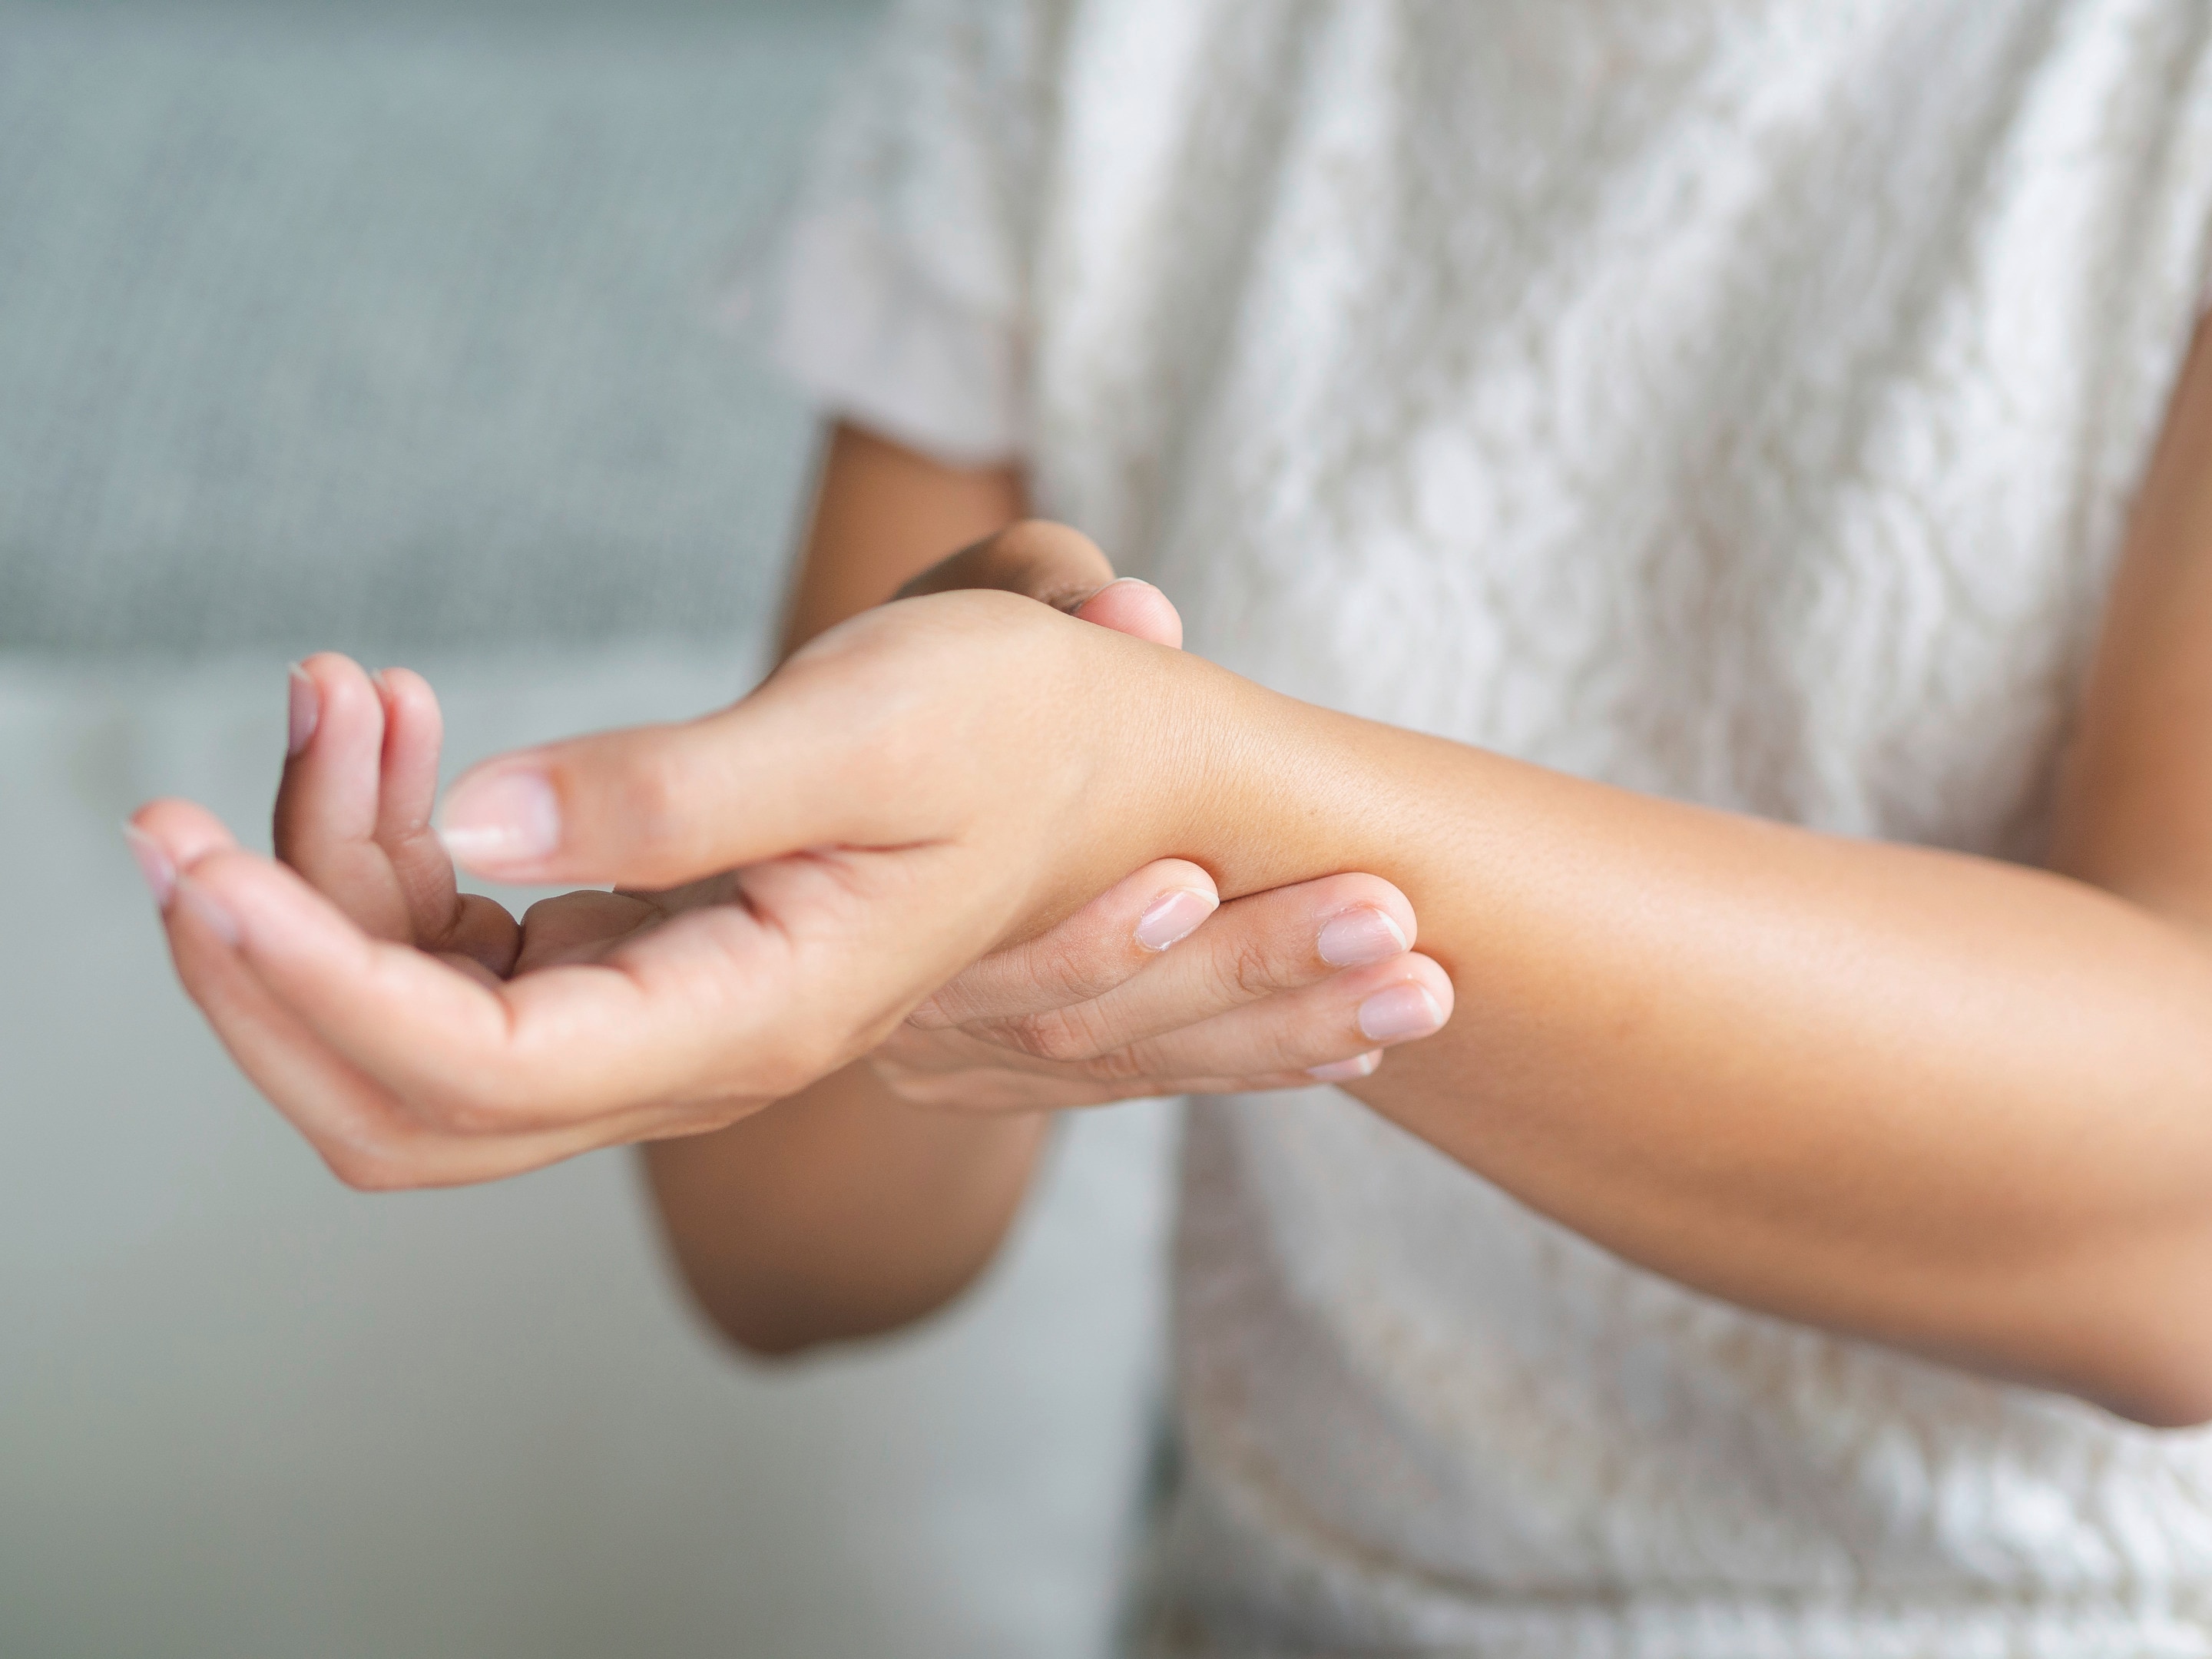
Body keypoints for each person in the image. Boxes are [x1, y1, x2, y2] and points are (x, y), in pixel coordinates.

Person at [127, 1, 2212, 1652]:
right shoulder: (1084, 47)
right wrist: (908, 835)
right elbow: (796, 1257)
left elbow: (2175, 1231)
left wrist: (1172, 787)